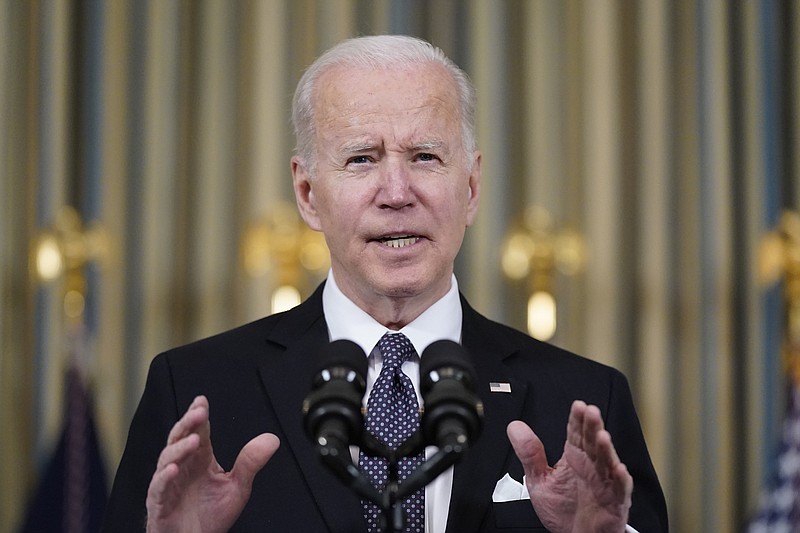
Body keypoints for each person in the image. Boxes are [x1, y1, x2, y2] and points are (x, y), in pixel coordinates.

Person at [102, 35, 668, 533]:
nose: (397, 192)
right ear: (307, 194)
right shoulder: (194, 390)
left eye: (425, 156)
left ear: (470, 188)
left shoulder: (584, 401)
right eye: (361, 159)